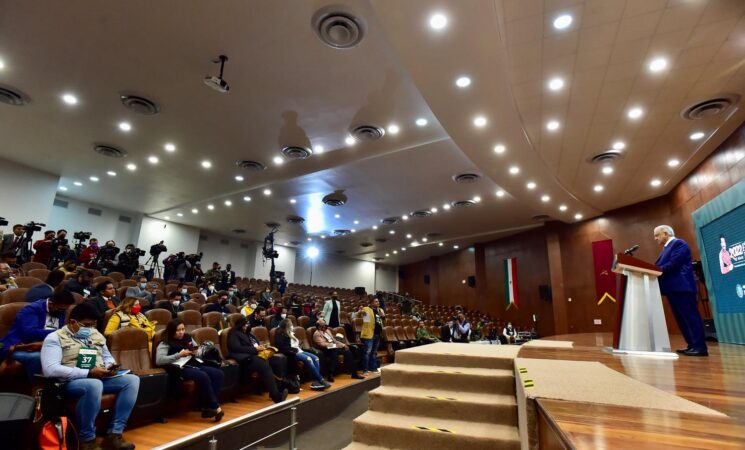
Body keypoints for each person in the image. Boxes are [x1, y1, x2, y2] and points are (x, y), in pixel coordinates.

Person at [40, 302, 140, 450]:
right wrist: (88, 373)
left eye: (93, 324)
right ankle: (87, 440)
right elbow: (50, 370)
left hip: (97, 377)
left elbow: (107, 357)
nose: (90, 329)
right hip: (69, 383)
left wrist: (110, 367)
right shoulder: (54, 338)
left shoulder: (96, 334)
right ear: (73, 322)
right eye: (87, 325)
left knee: (132, 380)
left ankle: (114, 435)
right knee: (94, 384)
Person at [653, 225, 708, 356]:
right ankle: (691, 345)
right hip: (673, 289)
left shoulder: (679, 244)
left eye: (657, 235)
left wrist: (656, 271)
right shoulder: (666, 248)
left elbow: (673, 263)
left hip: (682, 288)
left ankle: (700, 347)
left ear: (665, 233)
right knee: (681, 319)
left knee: (690, 317)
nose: (655, 238)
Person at [156, 319, 225, 421]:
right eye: (178, 330)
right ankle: (215, 407)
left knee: (218, 374)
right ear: (171, 331)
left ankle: (207, 407)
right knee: (202, 376)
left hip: (194, 363)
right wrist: (179, 355)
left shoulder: (188, 337)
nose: (181, 332)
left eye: (183, 329)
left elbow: (197, 350)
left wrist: (196, 352)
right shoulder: (165, 342)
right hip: (179, 367)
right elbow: (159, 360)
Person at [0, 290, 74, 378]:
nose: (63, 312)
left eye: (65, 310)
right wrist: (59, 333)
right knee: (38, 357)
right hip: (20, 347)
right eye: (61, 309)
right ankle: (34, 387)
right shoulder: (31, 309)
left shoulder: (60, 311)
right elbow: (29, 333)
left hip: (45, 346)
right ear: (50, 303)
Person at [227, 316, 288, 403]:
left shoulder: (249, 334)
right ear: (240, 325)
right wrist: (255, 349)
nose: (247, 326)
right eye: (245, 324)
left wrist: (263, 347)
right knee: (264, 365)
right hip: (247, 359)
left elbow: (256, 345)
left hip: (258, 355)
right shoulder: (235, 334)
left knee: (277, 361)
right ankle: (276, 396)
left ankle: (276, 390)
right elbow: (236, 348)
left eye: (247, 324)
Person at [274, 318, 329, 390]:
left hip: (299, 351)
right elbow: (283, 348)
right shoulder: (281, 335)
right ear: (287, 326)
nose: (292, 326)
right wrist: (294, 350)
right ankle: (321, 380)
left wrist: (298, 348)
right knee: (308, 359)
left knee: (316, 358)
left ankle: (316, 382)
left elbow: (296, 345)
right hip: (292, 354)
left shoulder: (291, 333)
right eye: (291, 324)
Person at [359, 298, 385, 375]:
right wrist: (360, 311)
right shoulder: (366, 309)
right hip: (369, 334)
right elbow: (360, 314)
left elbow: (382, 322)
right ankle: (365, 369)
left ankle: (373, 368)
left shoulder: (380, 310)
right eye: (376, 301)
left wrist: (383, 317)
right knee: (367, 352)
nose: (378, 303)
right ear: (371, 303)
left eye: (378, 301)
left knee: (374, 352)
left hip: (377, 334)